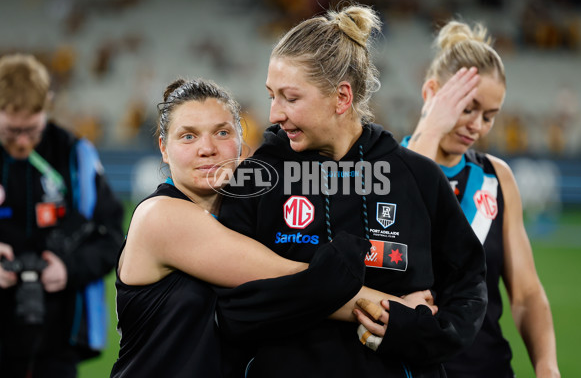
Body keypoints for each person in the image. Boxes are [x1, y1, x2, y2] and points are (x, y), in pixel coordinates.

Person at [218, 2, 487, 378]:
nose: (275, 114)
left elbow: (468, 284)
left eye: (290, 98)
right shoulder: (256, 179)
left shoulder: (417, 176)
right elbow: (231, 309)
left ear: (342, 98)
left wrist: (419, 332)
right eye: (271, 96)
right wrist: (366, 300)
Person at [110, 78, 398, 378]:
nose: (207, 148)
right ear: (164, 149)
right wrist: (399, 308)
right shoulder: (160, 217)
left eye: (222, 132)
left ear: (240, 140)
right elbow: (299, 281)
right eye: (188, 136)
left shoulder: (249, 217)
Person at [403, 21, 560, 377]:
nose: (477, 125)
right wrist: (430, 131)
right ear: (431, 92)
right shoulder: (384, 166)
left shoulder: (497, 177)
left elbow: (526, 294)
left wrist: (547, 366)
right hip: (409, 368)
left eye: (489, 116)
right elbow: (411, 214)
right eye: (467, 107)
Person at [0, 53, 123, 378]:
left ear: (47, 106)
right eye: (12, 131)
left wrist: (68, 269)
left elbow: (111, 237)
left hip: (58, 342)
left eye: (31, 130)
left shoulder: (74, 155)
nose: (23, 143)